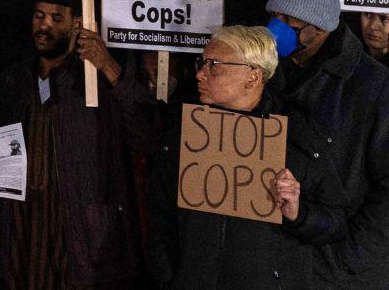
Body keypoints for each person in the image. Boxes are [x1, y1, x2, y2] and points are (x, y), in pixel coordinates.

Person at [0, 0, 159, 289]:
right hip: (23, 238)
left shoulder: (98, 81)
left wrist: (109, 67)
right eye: (39, 16)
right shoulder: (14, 80)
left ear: (77, 24)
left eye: (56, 18)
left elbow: (147, 137)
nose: (44, 26)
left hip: (81, 240)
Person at [146, 25, 346, 288]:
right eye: (202, 63)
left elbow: (335, 222)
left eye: (214, 65)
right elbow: (159, 215)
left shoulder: (296, 137)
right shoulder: (185, 131)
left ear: (253, 77)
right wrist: (171, 278)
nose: (200, 74)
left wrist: (298, 214)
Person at [264, 0, 389, 287]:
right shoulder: (270, 72)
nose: (276, 26)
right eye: (274, 15)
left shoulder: (374, 87)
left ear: (319, 27)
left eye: (287, 19)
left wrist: (349, 257)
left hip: (336, 270)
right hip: (279, 261)